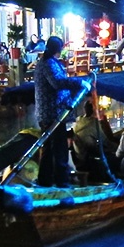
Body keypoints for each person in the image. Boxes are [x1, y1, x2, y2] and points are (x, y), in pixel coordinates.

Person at [34, 36, 91, 187]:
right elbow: (57, 82)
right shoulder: (48, 64)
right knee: (59, 149)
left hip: (51, 113)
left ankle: (45, 180)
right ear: (58, 49)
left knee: (49, 149)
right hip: (53, 114)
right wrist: (80, 82)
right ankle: (62, 182)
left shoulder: (48, 62)